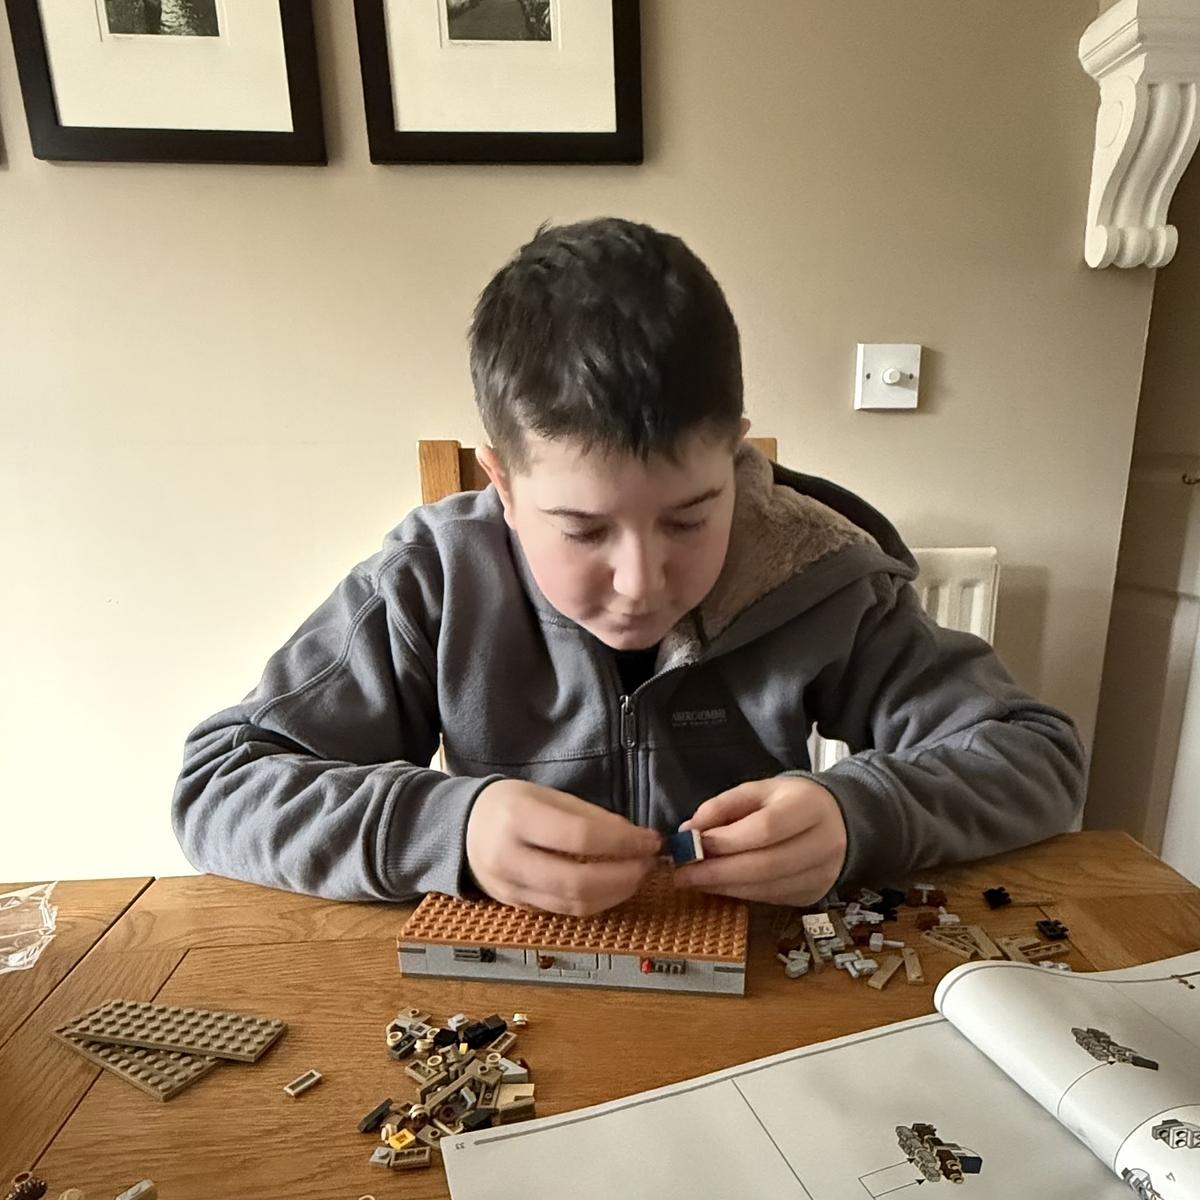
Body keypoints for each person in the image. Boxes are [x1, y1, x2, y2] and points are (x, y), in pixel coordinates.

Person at [172, 217, 1085, 915]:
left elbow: (1038, 757)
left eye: (690, 518)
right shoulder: (431, 582)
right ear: (502, 483)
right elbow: (218, 785)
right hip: (506, 1010)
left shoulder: (824, 576)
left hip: (753, 1013)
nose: (643, 580)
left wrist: (861, 814)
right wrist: (454, 827)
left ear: (735, 462)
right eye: (581, 530)